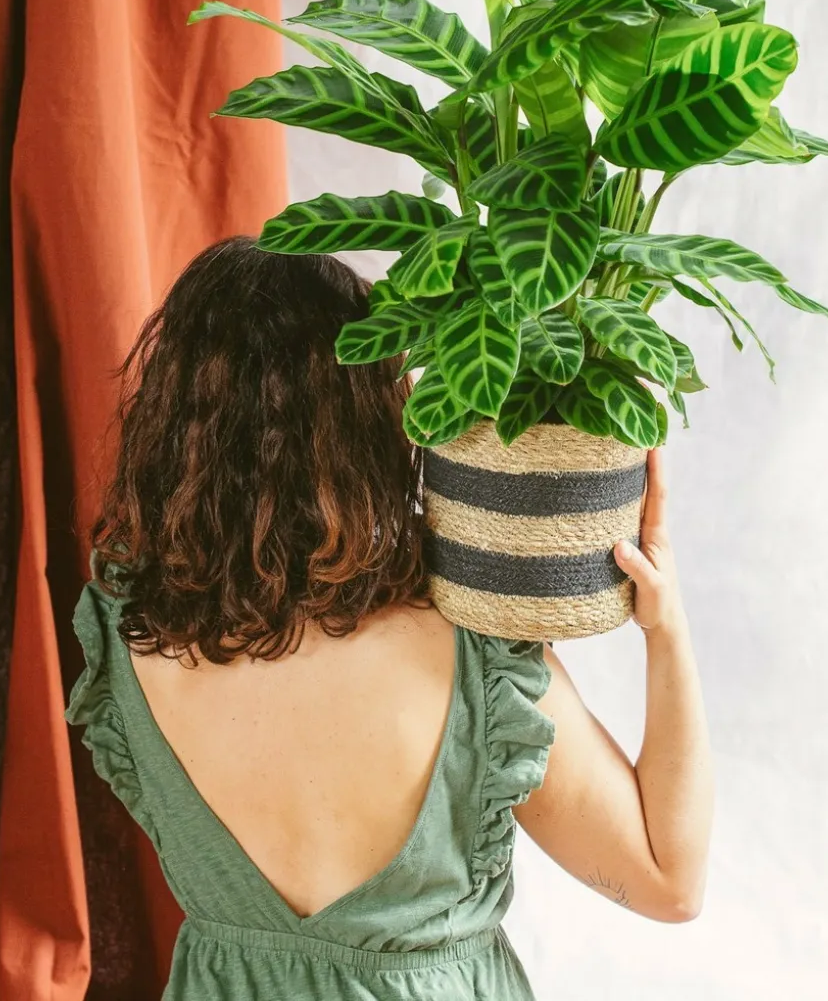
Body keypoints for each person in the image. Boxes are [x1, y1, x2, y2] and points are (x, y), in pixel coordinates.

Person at [64, 236, 714, 1000]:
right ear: (372, 414)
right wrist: (666, 628)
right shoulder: (471, 646)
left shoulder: (127, 630)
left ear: (170, 423)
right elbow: (670, 884)